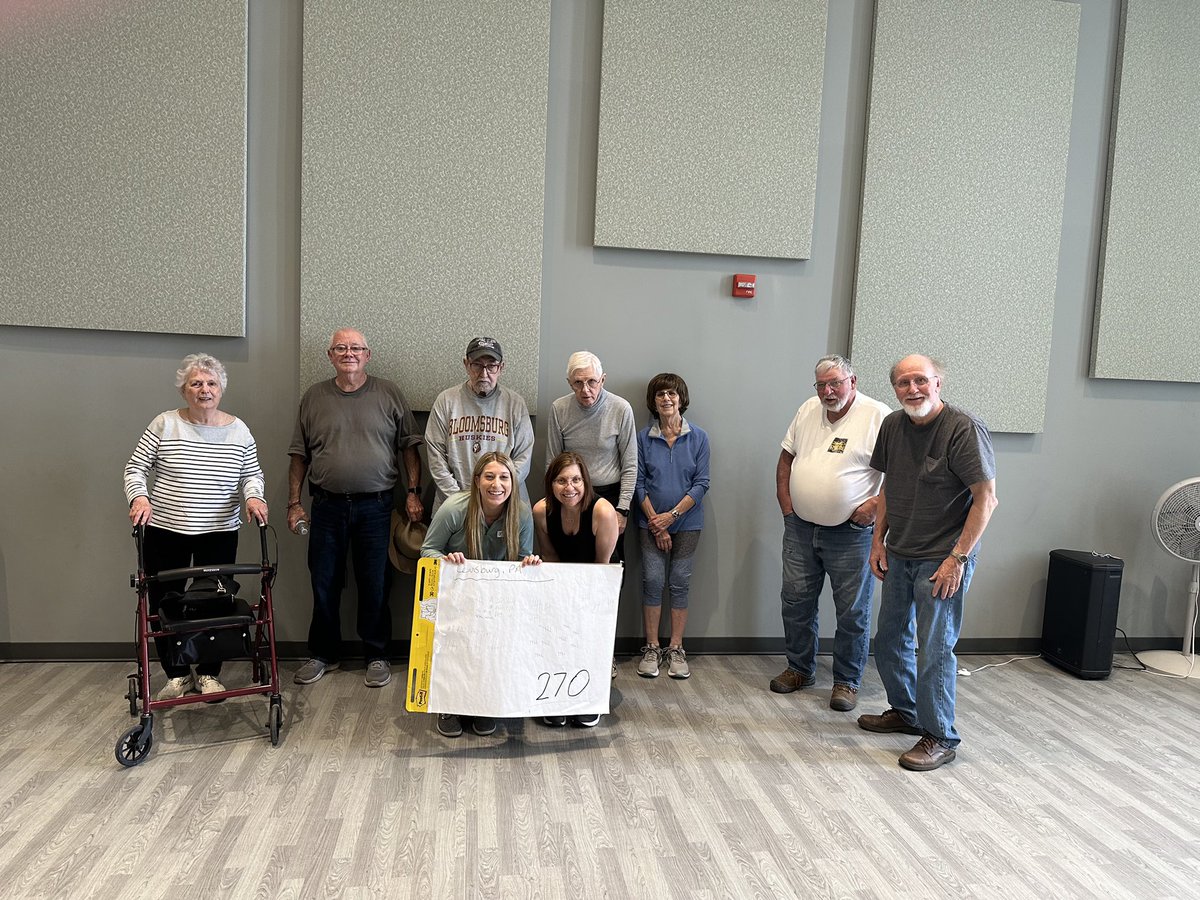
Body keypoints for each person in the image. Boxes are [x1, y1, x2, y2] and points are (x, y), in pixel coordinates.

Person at [859, 354, 997, 772]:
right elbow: (888, 488)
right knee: (888, 640)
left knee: (935, 649)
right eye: (903, 383)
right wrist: (878, 541)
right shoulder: (893, 426)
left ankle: (940, 736)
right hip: (899, 552)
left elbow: (986, 499)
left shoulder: (962, 429)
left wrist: (958, 558)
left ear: (938, 383)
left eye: (921, 380)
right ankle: (906, 712)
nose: (912, 389)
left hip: (943, 559)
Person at [124, 353, 268, 700]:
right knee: (162, 600)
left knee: (214, 602)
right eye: (196, 383)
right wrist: (139, 499)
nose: (205, 390)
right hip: (166, 529)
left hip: (218, 531)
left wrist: (253, 498)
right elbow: (135, 468)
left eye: (211, 383)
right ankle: (176, 674)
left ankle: (207, 673)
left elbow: (251, 474)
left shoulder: (238, 429)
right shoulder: (165, 424)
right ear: (184, 390)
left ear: (221, 389)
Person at [287, 329, 423, 689]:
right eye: (342, 348)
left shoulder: (389, 392)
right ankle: (323, 654)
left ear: (368, 355)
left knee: (375, 583)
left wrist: (412, 492)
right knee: (324, 581)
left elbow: (409, 446)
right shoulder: (314, 396)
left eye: (356, 348)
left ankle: (377, 654)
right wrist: (294, 503)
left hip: (377, 507)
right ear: (330, 355)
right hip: (327, 506)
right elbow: (299, 454)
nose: (349, 354)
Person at [771, 355, 891, 712]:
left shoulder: (877, 415)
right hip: (801, 528)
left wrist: (873, 507)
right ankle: (799, 669)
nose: (828, 391)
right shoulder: (808, 409)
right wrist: (788, 508)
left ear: (853, 381)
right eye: (821, 384)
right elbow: (785, 460)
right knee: (795, 602)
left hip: (851, 534)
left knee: (852, 611)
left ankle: (846, 681)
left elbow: (899, 473)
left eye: (835, 383)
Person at [420, 452, 541, 738]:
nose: (496, 484)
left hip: (497, 598)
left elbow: (522, 558)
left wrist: (529, 563)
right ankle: (449, 704)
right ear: (476, 481)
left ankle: (483, 703)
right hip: (457, 595)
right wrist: (446, 561)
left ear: (513, 481)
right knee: (456, 648)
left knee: (491, 649)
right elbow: (427, 551)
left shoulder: (522, 514)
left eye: (503, 477)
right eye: (489, 476)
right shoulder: (454, 509)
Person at [533, 451, 620, 727]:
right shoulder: (541, 511)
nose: (569, 488)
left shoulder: (602, 511)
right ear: (551, 483)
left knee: (587, 637)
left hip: (596, 579)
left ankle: (589, 699)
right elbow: (550, 557)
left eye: (575, 480)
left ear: (585, 482)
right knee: (556, 636)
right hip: (561, 579)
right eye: (561, 481)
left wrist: (581, 604)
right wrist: (559, 599)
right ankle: (556, 696)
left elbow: (601, 566)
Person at [634, 373, 710, 680]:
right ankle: (652, 647)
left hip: (688, 523)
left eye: (672, 394)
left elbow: (702, 483)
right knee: (652, 580)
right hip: (649, 523)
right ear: (653, 402)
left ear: (681, 398)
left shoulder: (699, 437)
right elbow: (637, 482)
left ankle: (676, 648)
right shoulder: (642, 438)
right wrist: (657, 522)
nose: (666, 399)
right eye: (660, 395)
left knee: (680, 581)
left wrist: (672, 517)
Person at [545, 351, 637, 563]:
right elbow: (552, 463)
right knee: (570, 562)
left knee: (609, 565)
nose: (585, 390)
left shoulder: (621, 409)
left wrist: (622, 510)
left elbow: (630, 465)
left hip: (609, 495)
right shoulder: (559, 409)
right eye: (578, 383)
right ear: (569, 383)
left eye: (592, 382)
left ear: (602, 379)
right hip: (570, 494)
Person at [425, 337, 534, 513]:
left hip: (503, 506)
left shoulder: (515, 404)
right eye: (477, 365)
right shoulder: (446, 401)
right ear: (466, 364)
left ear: (501, 368)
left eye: (491, 366)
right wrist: (460, 501)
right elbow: (436, 458)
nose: (484, 374)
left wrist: (495, 498)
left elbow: (523, 458)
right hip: (454, 505)